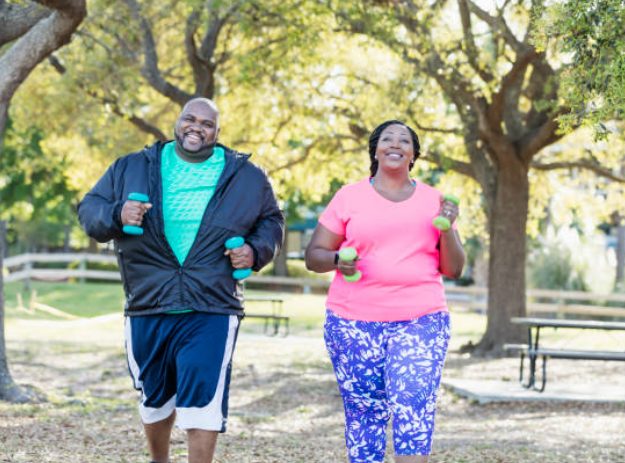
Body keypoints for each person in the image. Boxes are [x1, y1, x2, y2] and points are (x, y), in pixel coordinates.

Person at [77, 98, 284, 463]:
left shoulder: (247, 176)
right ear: (177, 122)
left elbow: (272, 221)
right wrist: (116, 212)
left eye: (207, 124)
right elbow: (90, 209)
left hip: (212, 302)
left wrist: (255, 251)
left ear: (217, 133)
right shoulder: (132, 167)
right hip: (148, 300)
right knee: (154, 397)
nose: (196, 127)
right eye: (190, 119)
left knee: (203, 395)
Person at [304, 120, 466, 463]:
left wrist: (448, 227)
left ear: (414, 154)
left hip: (421, 320)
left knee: (413, 405)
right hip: (352, 322)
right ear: (375, 150)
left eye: (404, 140)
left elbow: (454, 269)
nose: (395, 144)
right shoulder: (349, 196)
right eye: (387, 139)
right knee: (364, 414)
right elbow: (314, 255)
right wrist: (337, 260)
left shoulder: (434, 200)